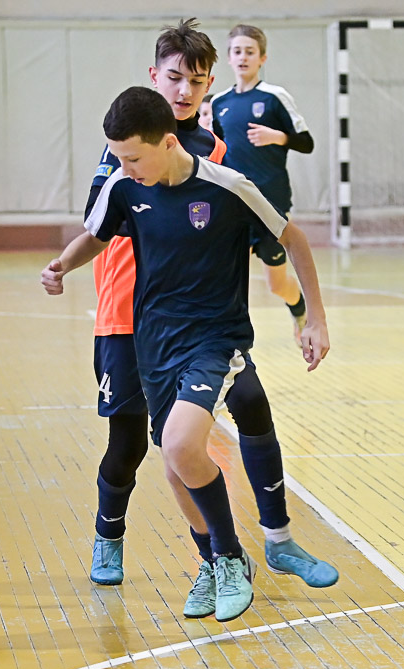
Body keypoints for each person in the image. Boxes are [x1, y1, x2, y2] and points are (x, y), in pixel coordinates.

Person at [43, 85, 334, 622]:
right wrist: (62, 265)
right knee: (176, 465)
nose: (123, 168)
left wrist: (314, 317)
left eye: (133, 157)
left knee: (181, 442)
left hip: (214, 340)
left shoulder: (228, 186)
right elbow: (96, 236)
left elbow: (292, 238)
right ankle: (212, 562)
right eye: (118, 157)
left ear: (168, 142)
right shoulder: (125, 186)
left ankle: (232, 557)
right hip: (154, 345)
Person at [211, 24, 315, 344]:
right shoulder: (219, 103)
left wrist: (278, 137)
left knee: (276, 284)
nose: (243, 57)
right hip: (234, 204)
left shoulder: (274, 97)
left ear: (262, 58)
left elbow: (306, 142)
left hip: (271, 201)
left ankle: (298, 308)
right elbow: (217, 149)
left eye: (250, 52)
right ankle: (228, 339)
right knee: (228, 276)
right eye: (237, 51)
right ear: (229, 57)